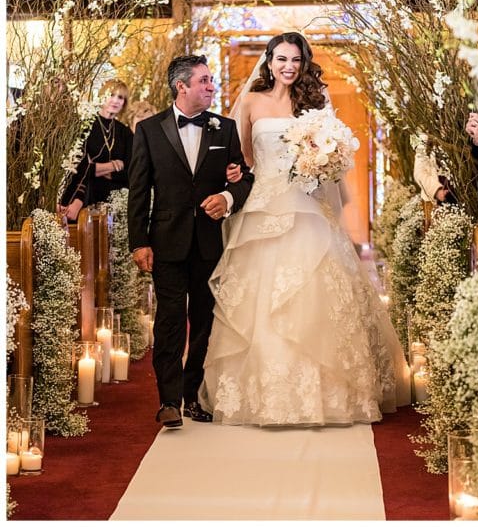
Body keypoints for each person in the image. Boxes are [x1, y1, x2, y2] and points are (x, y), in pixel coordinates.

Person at [198, 32, 408, 425]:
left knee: (316, 292)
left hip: (306, 206)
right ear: (269, 60)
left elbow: (335, 156)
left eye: (295, 60)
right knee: (258, 301)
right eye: (281, 59)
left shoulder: (315, 102)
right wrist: (233, 174)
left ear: (304, 62)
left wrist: (322, 163)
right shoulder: (251, 101)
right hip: (262, 206)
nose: (288, 67)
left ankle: (322, 395)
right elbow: (241, 156)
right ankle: (265, 396)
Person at [128, 55, 254, 429]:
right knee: (168, 320)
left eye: (211, 80)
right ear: (181, 86)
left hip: (209, 241)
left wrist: (229, 196)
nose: (211, 86)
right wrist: (139, 242)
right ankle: (168, 402)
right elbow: (139, 191)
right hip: (165, 240)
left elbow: (242, 178)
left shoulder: (225, 128)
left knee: (204, 321)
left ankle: (192, 396)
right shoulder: (149, 130)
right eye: (203, 81)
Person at [59, 79, 134, 222]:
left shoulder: (124, 132)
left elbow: (131, 172)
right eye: (112, 95)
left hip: (114, 201)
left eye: (120, 97)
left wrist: (96, 169)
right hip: (84, 196)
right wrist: (114, 165)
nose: (115, 101)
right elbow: (77, 166)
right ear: (102, 96)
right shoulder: (83, 125)